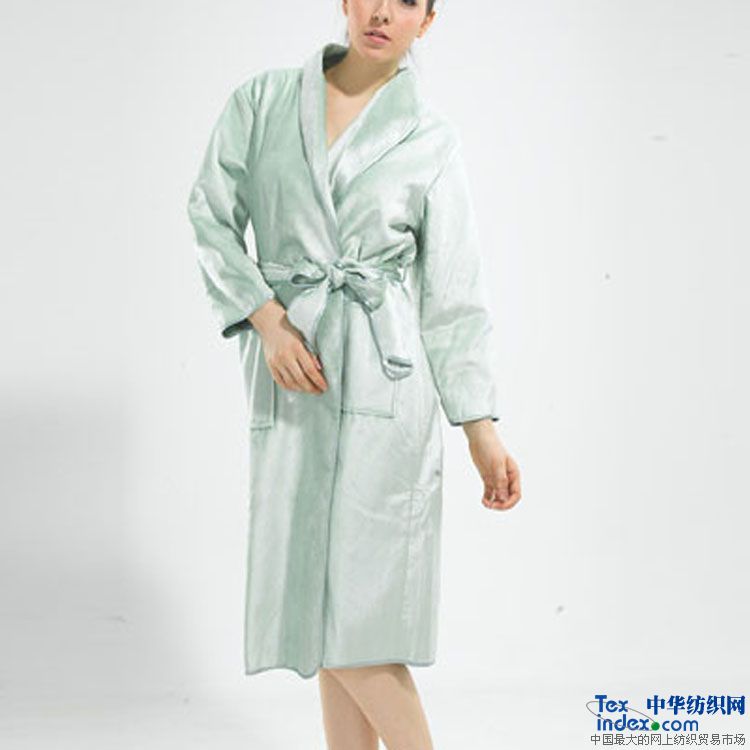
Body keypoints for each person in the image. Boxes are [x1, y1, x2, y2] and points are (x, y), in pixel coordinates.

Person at [186, 1, 522, 747]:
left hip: (387, 385)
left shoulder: (430, 138)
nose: (382, 12)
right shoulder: (264, 101)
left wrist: (481, 430)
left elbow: (454, 294)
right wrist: (267, 320)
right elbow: (211, 214)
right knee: (319, 612)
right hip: (295, 374)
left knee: (358, 624)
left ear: (427, 21)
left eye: (408, 1)